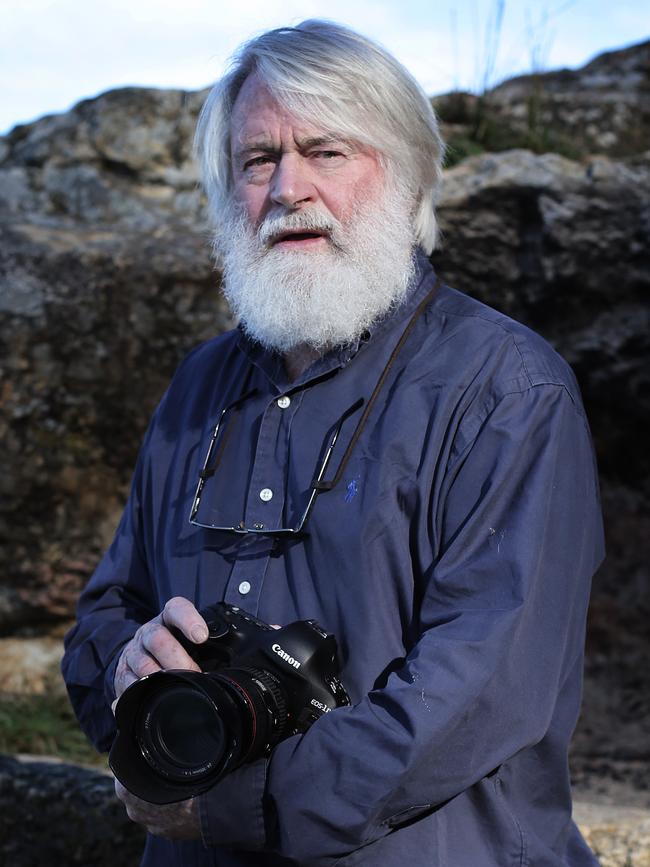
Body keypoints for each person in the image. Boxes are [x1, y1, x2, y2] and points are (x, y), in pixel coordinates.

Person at [62, 19, 605, 867]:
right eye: (257, 160)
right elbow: (102, 619)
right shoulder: (198, 387)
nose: (288, 189)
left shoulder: (505, 389)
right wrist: (130, 670)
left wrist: (245, 804)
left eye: (327, 152)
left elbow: (480, 691)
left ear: (408, 174)